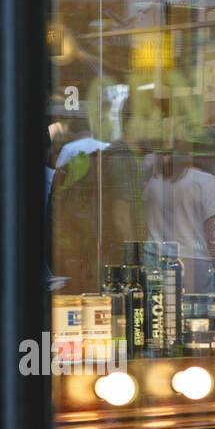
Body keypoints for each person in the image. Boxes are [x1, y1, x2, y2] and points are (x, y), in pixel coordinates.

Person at [48, 109, 146, 292]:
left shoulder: (94, 152)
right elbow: (121, 214)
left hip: (93, 242)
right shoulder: (119, 155)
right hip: (114, 250)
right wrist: (134, 259)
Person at [141, 121, 215, 292]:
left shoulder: (155, 180)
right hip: (194, 264)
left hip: (154, 261)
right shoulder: (206, 182)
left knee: (158, 316)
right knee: (197, 317)